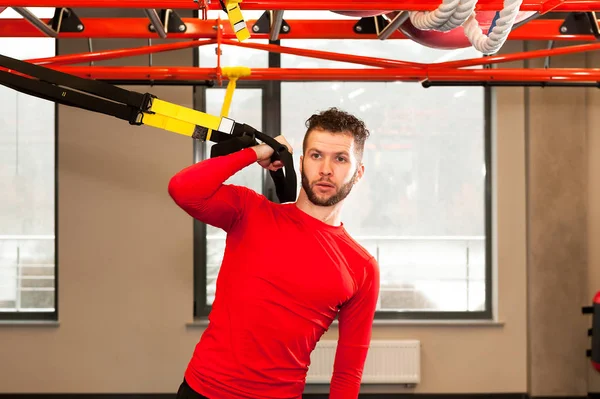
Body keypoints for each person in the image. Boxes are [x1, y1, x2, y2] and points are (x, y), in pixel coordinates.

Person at [168, 107, 380, 399]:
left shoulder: (362, 267)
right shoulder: (250, 211)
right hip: (203, 391)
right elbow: (183, 188)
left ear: (358, 173)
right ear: (302, 162)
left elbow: (348, 372)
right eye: (316, 156)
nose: (326, 169)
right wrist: (255, 153)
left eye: (340, 158)